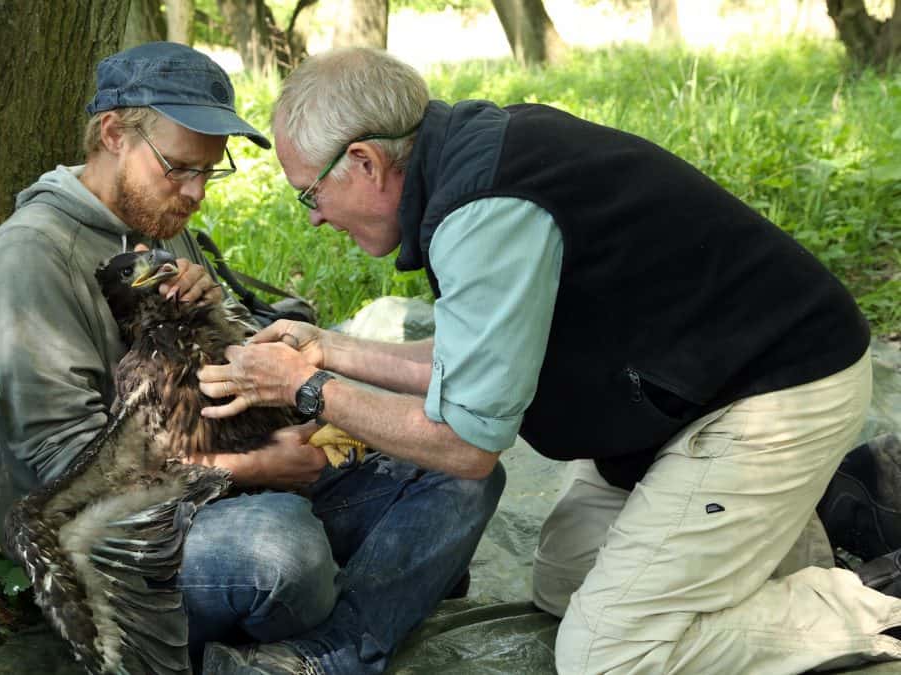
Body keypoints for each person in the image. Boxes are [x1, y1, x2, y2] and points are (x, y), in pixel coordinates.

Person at [197, 46, 901, 674]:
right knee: (565, 579)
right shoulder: (466, 161)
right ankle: (798, 540)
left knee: (606, 652)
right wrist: (327, 348)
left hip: (772, 387)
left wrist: (310, 389)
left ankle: (871, 602)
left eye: (308, 194)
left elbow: (467, 444)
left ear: (365, 163)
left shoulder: (484, 206)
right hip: (684, 397)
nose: (314, 216)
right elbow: (471, 354)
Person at [0, 42, 504, 675]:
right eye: (180, 168)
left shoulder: (159, 216)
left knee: (460, 471)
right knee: (284, 555)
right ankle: (353, 605)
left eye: (209, 172)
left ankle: (322, 657)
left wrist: (231, 330)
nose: (195, 193)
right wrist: (251, 468)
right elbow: (65, 468)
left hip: (226, 487)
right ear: (114, 134)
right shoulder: (30, 258)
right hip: (118, 541)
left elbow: (219, 370)